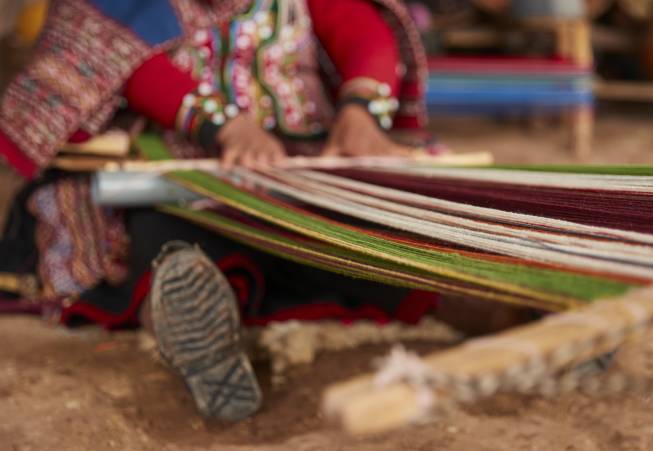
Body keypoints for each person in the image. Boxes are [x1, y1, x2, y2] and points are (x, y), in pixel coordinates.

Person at [0, 0, 441, 421]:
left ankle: (212, 297)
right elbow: (120, 62)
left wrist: (361, 110)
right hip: (183, 167)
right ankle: (185, 316)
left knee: (372, 237)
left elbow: (361, 30)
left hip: (303, 168)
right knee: (165, 234)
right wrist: (226, 126)